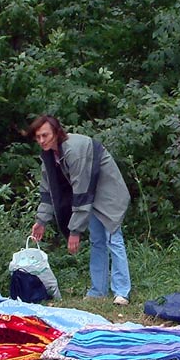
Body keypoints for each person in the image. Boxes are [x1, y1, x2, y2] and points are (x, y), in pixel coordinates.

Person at [29, 115, 133, 305]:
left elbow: (81, 191)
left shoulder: (74, 151)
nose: (41, 141)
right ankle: (98, 290)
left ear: (56, 133)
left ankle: (122, 291)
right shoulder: (48, 156)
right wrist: (41, 221)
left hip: (108, 191)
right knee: (97, 240)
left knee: (113, 237)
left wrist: (74, 231)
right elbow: (48, 191)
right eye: (38, 137)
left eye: (45, 135)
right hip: (89, 195)